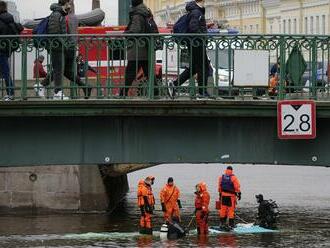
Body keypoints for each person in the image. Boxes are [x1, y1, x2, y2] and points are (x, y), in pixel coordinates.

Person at [36, 0, 92, 100]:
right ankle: (53, 90)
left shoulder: (67, 15)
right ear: (65, 4)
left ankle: (44, 86)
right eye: (69, 3)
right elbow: (59, 32)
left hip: (67, 47)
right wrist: (67, 44)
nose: (70, 5)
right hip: (65, 47)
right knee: (61, 69)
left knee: (63, 70)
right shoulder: (61, 15)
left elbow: (68, 32)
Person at [170, 0, 209, 99]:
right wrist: (203, 35)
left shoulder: (194, 11)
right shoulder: (196, 12)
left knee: (195, 67)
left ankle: (174, 84)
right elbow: (193, 28)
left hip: (194, 43)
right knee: (203, 67)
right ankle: (202, 91)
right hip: (197, 43)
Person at [120, 0, 154, 97]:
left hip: (137, 49)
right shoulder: (145, 11)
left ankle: (122, 94)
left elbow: (135, 30)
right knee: (149, 73)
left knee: (130, 73)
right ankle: (156, 93)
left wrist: (124, 34)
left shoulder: (137, 14)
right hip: (145, 48)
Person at [0, 0, 23, 101]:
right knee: (6, 71)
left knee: (5, 71)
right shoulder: (10, 18)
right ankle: (10, 93)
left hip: (1, 48)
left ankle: (10, 93)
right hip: (7, 48)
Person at [218, 166, 241, 230]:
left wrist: (220, 194)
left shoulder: (221, 177)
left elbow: (219, 187)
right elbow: (237, 187)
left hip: (223, 196)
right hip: (231, 196)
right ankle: (231, 224)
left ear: (226, 170)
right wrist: (239, 193)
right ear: (231, 170)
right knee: (231, 210)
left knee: (223, 210)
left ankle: (222, 223)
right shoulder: (234, 178)